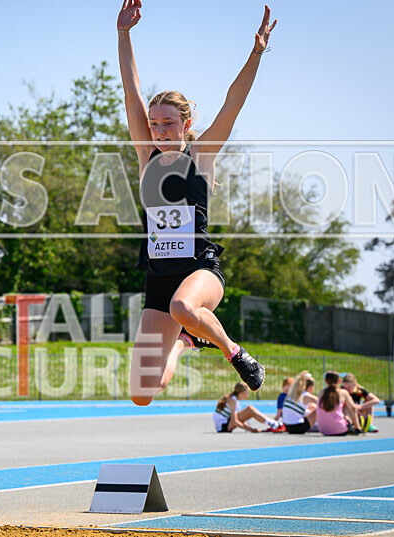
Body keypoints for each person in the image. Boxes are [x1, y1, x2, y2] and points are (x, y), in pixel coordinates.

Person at [118, 1, 276, 405]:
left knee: (183, 305)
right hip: (159, 273)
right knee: (141, 392)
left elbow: (233, 103)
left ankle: (236, 353)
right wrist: (124, 34)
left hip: (198, 268)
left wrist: (256, 53)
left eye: (168, 123)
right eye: (154, 123)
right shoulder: (146, 155)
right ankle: (185, 343)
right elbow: (132, 93)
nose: (158, 130)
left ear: (186, 125)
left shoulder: (201, 154)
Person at [213, 382, 281, 433]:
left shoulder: (234, 399)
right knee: (250, 409)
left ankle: (273, 424)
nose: (247, 396)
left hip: (226, 423)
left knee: (249, 410)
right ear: (241, 393)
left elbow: (237, 419)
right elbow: (234, 421)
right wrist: (251, 429)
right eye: (247, 393)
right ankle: (274, 424)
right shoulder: (232, 401)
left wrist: (250, 428)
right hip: (223, 427)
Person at [316, 371, 362, 436]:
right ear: (339, 381)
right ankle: (356, 427)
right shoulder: (343, 392)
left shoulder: (321, 393)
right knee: (346, 406)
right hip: (340, 429)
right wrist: (358, 428)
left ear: (325, 381)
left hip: (323, 430)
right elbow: (353, 408)